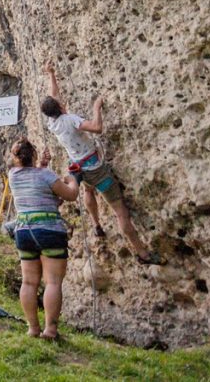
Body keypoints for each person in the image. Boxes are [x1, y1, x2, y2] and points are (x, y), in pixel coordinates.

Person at [42, 62, 161, 265]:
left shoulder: (52, 123)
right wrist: (97, 108)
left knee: (88, 192)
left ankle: (96, 225)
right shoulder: (70, 119)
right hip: (97, 169)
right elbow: (96, 128)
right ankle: (142, 253)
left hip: (78, 167)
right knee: (120, 211)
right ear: (61, 107)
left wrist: (51, 74)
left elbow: (54, 96)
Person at [7, 137, 79, 340]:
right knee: (53, 283)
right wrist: (72, 180)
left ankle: (32, 329)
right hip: (49, 231)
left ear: (15, 158)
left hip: (24, 231)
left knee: (29, 282)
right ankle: (51, 330)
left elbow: (33, 181)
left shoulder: (13, 176)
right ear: (34, 155)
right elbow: (70, 195)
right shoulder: (46, 175)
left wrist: (42, 165)